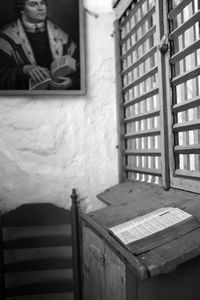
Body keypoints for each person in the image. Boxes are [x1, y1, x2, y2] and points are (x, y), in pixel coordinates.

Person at [0, 0, 80, 90]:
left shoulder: (61, 36)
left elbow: (81, 67)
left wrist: (72, 81)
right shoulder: (6, 39)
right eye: (33, 4)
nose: (41, 8)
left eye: (42, 3)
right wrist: (24, 69)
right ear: (22, 9)